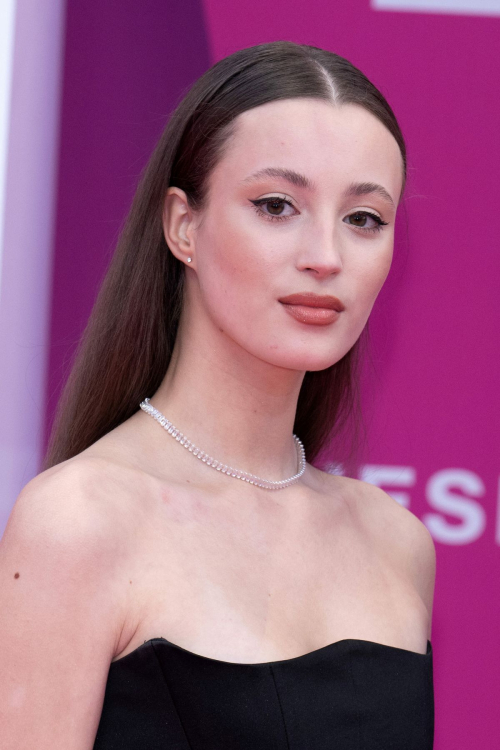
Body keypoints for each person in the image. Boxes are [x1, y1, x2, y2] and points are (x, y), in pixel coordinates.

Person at [0, 40, 435, 748]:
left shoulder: (397, 543)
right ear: (183, 226)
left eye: (364, 219)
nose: (326, 256)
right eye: (276, 205)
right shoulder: (79, 523)